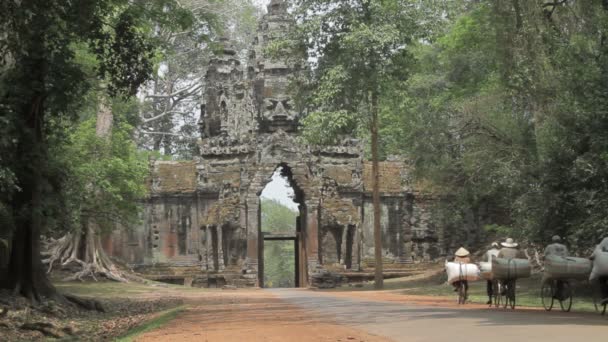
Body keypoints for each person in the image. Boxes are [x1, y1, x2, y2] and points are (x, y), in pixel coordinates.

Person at [543, 235, 569, 300]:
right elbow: (567, 255)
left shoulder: (549, 246)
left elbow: (545, 255)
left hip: (553, 266)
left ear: (553, 240)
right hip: (563, 266)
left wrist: (543, 258)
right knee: (560, 279)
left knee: (549, 278)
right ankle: (561, 293)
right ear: (559, 240)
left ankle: (554, 291)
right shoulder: (564, 247)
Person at [590, 237, 608, 303]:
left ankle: (605, 297)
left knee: (602, 280)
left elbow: (591, 257)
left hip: (603, 270)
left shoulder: (599, 247)